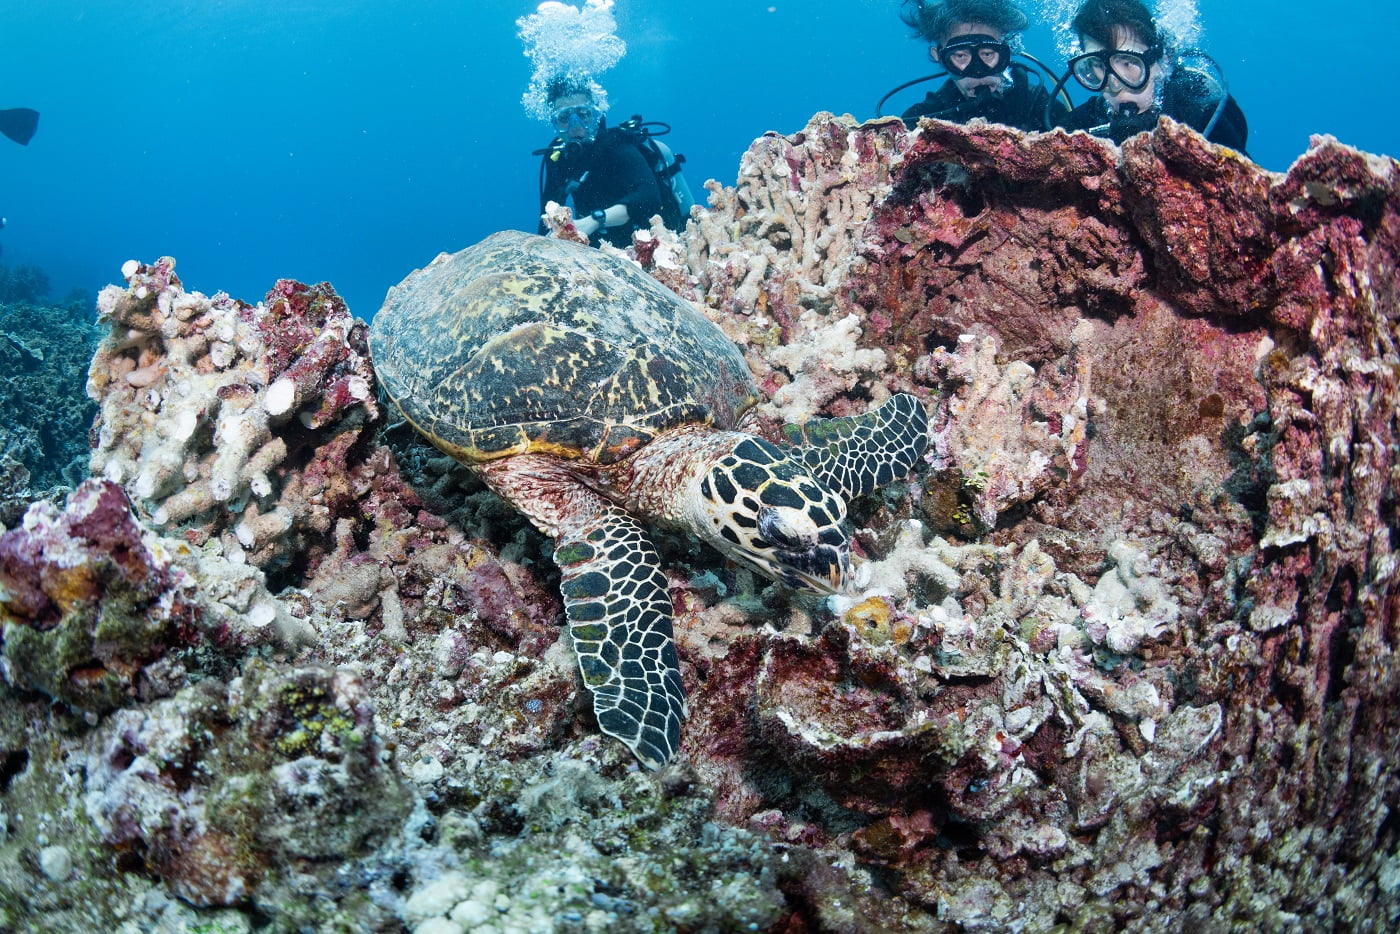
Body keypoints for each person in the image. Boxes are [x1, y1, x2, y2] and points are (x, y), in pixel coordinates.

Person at [1057, 0, 1247, 151]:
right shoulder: (1079, 127)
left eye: (1128, 62)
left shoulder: (1202, 117)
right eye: (1098, 65)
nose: (1114, 83)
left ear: (1161, 61)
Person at [893, 0, 1067, 131]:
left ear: (1007, 52)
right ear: (939, 56)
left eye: (987, 54)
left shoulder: (1042, 108)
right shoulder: (922, 121)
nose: (977, 71)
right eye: (960, 56)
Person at [536, 80, 662, 248]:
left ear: (595, 116)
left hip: (646, 243)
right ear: (555, 123)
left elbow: (650, 196)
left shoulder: (618, 146)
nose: (575, 126)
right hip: (597, 247)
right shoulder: (557, 158)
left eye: (584, 114)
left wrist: (595, 220)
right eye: (565, 118)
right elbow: (547, 217)